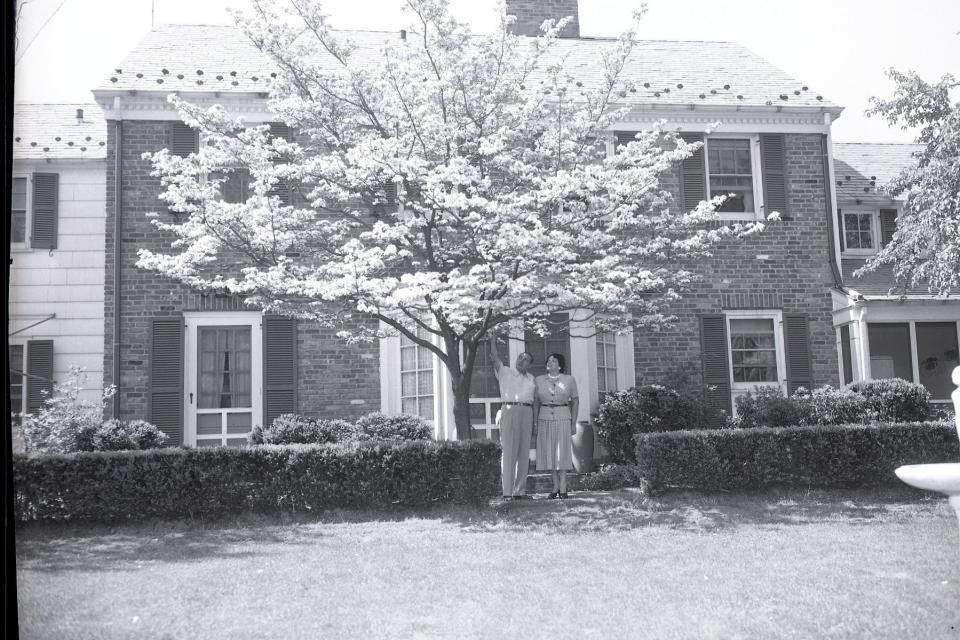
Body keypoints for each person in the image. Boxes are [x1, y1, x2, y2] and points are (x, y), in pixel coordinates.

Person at [489, 336, 536, 500]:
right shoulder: (505, 371)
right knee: (508, 451)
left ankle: (519, 492)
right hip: (509, 410)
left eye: (526, 359)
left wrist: (535, 422)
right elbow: (494, 357)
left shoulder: (532, 379)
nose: (522, 360)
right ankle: (507, 492)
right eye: (520, 357)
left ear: (530, 364)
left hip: (527, 413)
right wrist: (492, 339)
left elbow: (534, 401)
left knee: (523, 453)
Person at [533, 353, 579, 499]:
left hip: (563, 416)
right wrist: (535, 422)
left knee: (563, 450)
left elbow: (576, 401)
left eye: (553, 361)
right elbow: (535, 403)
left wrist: (573, 422)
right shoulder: (539, 380)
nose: (549, 362)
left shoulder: (569, 380)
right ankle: (555, 486)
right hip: (544, 417)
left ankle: (564, 486)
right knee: (549, 451)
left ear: (560, 365)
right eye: (548, 360)